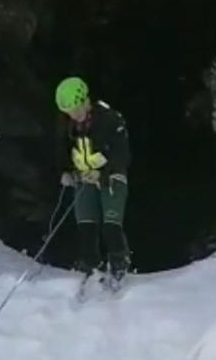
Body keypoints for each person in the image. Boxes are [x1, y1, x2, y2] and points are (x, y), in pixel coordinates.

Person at [55, 76, 131, 287]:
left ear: (86, 101)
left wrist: (103, 174)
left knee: (110, 226)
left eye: (77, 109)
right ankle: (90, 267)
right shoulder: (68, 125)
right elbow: (61, 150)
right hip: (84, 179)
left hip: (111, 177)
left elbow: (122, 154)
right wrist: (65, 171)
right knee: (86, 226)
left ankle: (119, 265)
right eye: (69, 111)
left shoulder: (110, 119)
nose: (74, 115)